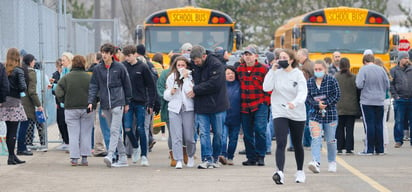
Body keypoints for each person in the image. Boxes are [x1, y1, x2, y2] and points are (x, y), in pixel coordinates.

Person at [263, 49, 307, 184]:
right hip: (279, 111)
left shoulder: (298, 74)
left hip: (297, 111)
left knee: (297, 143)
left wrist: (295, 103)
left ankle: (300, 171)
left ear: (291, 60)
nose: (281, 59)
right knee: (281, 142)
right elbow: (266, 87)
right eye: (279, 57)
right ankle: (279, 172)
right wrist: (272, 70)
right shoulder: (275, 73)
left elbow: (302, 92)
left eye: (284, 57)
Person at [87, 43, 132, 168]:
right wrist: (91, 101)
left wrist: (127, 102)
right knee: (114, 131)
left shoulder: (120, 67)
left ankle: (111, 155)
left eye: (107, 53)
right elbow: (93, 86)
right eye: (103, 52)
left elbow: (127, 85)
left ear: (111, 54)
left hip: (118, 102)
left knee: (114, 130)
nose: (104, 55)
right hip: (105, 103)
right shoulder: (97, 69)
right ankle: (122, 157)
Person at [188, 45, 229, 169]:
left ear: (204, 56)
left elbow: (214, 84)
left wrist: (196, 89)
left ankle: (215, 157)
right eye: (194, 61)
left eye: (198, 61)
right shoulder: (193, 64)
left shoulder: (216, 64)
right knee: (204, 133)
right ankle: (206, 158)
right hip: (201, 104)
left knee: (218, 133)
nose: (196, 63)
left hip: (217, 104)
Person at [55, 55, 95, 166]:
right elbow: (96, 90)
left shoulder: (67, 77)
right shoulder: (90, 77)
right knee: (86, 133)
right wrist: (93, 102)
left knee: (73, 134)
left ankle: (74, 158)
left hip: (71, 108)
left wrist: (64, 100)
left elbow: (58, 91)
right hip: (87, 108)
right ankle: (85, 158)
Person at [122, 45, 156, 166]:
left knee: (141, 129)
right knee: (127, 128)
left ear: (135, 54)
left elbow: (151, 86)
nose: (127, 58)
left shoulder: (143, 67)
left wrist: (150, 103)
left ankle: (144, 156)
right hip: (127, 103)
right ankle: (135, 147)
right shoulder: (123, 67)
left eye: (129, 56)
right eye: (125, 56)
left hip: (141, 102)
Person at [237, 46, 269, 166]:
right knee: (247, 133)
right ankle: (251, 157)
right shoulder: (239, 69)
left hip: (260, 103)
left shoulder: (263, 69)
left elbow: (269, 85)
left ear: (256, 56)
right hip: (245, 104)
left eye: (250, 54)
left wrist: (266, 102)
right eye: (246, 54)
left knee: (260, 130)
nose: (248, 57)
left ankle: (261, 155)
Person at [306, 60, 341, 173]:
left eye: (320, 69)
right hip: (315, 114)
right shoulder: (310, 82)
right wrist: (317, 104)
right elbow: (307, 97)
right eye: (315, 69)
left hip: (330, 114)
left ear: (325, 69)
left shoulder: (332, 80)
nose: (317, 71)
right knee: (316, 138)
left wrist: (325, 103)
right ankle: (316, 162)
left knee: (330, 140)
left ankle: (332, 161)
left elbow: (337, 95)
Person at [164, 56, 196, 169]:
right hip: (174, 109)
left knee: (188, 136)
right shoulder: (171, 77)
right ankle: (178, 159)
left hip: (188, 109)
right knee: (176, 136)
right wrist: (171, 92)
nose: (181, 68)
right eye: (179, 65)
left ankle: (191, 155)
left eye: (183, 65)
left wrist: (186, 78)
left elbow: (190, 92)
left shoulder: (191, 77)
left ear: (187, 66)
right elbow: (166, 96)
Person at [356, 54, 389, 155]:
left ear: (364, 61)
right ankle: (380, 149)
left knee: (369, 124)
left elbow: (359, 84)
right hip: (379, 100)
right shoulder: (381, 69)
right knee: (379, 125)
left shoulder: (363, 69)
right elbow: (387, 84)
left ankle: (369, 149)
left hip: (367, 101)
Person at [0, 48, 27, 165]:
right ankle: (11, 157)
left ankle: (12, 155)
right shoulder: (18, 70)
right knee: (13, 131)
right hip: (15, 102)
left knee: (8, 130)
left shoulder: (4, 68)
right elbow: (22, 86)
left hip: (4, 102)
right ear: (18, 57)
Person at [18, 54, 45, 156]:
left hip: (19, 102)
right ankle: (22, 148)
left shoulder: (20, 70)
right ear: (30, 62)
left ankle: (22, 146)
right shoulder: (31, 73)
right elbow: (32, 91)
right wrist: (38, 105)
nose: (34, 62)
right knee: (25, 126)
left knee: (21, 126)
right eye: (33, 60)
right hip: (28, 104)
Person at [157, 54, 180, 167]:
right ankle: (174, 156)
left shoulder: (186, 73)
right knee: (173, 133)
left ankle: (179, 155)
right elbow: (160, 89)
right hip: (169, 107)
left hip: (182, 108)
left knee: (175, 133)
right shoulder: (165, 74)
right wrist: (168, 95)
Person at [335, 57, 360, 155]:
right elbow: (358, 91)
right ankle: (349, 148)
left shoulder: (336, 77)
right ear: (349, 65)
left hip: (339, 106)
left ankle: (339, 147)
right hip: (351, 106)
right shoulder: (354, 77)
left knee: (339, 128)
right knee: (350, 128)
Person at [219, 65, 241, 165]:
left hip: (236, 117)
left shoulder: (239, 85)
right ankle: (222, 155)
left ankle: (230, 156)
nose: (230, 75)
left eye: (232, 73)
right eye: (228, 73)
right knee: (223, 137)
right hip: (223, 116)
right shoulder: (221, 85)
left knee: (233, 139)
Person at [390, 51, 412, 148]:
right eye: (405, 58)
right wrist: (396, 96)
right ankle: (398, 140)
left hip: (410, 99)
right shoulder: (394, 70)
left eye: (407, 58)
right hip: (400, 99)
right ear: (400, 59)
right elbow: (391, 84)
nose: (407, 60)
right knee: (399, 120)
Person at [297, 48, 314, 149]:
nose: (297, 58)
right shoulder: (311, 64)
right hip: (312, 95)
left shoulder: (305, 67)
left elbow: (304, 83)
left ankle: (307, 142)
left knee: (307, 120)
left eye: (299, 56)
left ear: (304, 56)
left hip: (307, 96)